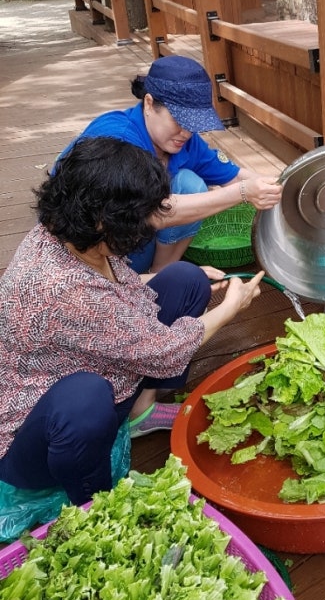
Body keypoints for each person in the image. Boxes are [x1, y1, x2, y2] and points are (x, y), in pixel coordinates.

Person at [0, 137, 265, 507]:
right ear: (101, 219)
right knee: (85, 401)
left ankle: (140, 414)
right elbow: (161, 350)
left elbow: (114, 289)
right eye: (141, 216)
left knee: (185, 278)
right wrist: (230, 307)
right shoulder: (62, 287)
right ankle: (94, 502)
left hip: (95, 365)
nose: (150, 224)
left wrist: (176, 279)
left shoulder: (70, 233)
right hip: (36, 437)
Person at [61, 54, 282, 274]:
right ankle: (146, 282)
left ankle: (160, 273)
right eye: (179, 120)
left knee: (190, 184)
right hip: (90, 260)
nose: (186, 132)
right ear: (149, 104)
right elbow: (153, 213)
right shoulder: (118, 139)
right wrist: (242, 193)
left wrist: (283, 187)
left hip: (132, 243)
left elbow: (232, 175)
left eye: (194, 123)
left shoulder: (185, 142)